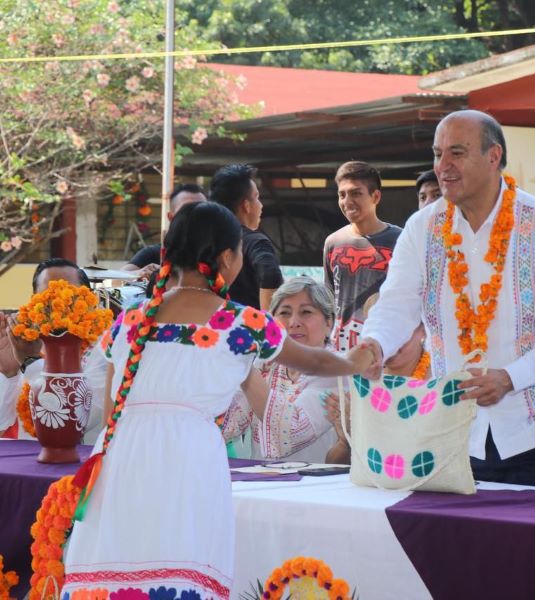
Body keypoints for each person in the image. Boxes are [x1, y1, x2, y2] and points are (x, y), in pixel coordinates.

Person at [62, 202, 375, 597]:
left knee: (116, 573)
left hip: (121, 456)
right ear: (228, 257)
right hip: (187, 459)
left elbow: (111, 409)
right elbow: (314, 360)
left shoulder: (129, 322)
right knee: (180, 568)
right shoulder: (241, 323)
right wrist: (358, 360)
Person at [360, 110, 535, 488]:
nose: (443, 166)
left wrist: (510, 378)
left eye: (456, 152)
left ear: (493, 156)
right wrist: (372, 345)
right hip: (455, 430)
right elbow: (396, 305)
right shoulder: (422, 229)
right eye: (437, 154)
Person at [221, 276, 350, 464]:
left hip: (315, 489)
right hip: (263, 486)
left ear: (329, 323)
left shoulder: (336, 370)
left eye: (306, 312)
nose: (294, 322)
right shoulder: (266, 365)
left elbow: (290, 432)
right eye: (284, 313)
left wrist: (245, 363)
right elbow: (227, 424)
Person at [0, 258, 107, 443]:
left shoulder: (105, 350)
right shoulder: (25, 343)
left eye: (68, 294)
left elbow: (78, 417)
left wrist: (31, 362)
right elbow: (2, 422)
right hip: (27, 466)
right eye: (48, 296)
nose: (59, 304)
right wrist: (9, 374)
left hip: (81, 466)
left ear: (89, 301)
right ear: (34, 301)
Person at [324, 161, 402, 352]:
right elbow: (328, 298)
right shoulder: (333, 242)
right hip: (341, 348)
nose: (347, 201)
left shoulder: (401, 240)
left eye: (356, 193)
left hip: (387, 346)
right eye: (342, 195)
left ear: (375, 196)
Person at [209, 163, 283, 310]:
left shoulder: (203, 240)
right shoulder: (254, 241)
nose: (261, 205)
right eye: (257, 197)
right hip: (247, 329)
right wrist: (267, 320)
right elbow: (270, 273)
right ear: (246, 205)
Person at [122, 183, 206, 278]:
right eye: (186, 211)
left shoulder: (216, 255)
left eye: (201, 211)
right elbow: (116, 278)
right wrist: (141, 272)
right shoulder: (154, 253)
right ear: (171, 217)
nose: (195, 217)